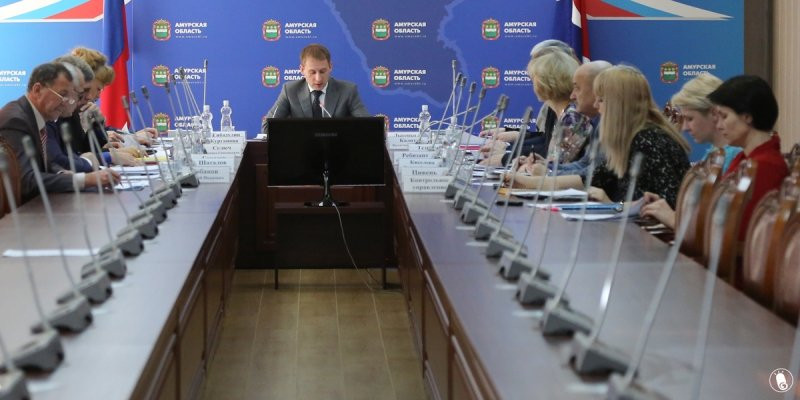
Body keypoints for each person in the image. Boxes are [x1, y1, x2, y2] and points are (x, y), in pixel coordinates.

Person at [643, 75, 788, 237]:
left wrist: (673, 219)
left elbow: (730, 234)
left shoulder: (764, 166)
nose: (719, 124)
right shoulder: (746, 159)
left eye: (724, 116)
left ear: (747, 117)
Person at [0, 62, 119, 203]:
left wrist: (62, 173)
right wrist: (85, 179)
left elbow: (46, 163)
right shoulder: (16, 120)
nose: (68, 103)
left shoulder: (37, 116)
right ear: (37, 90)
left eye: (72, 96)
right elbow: (27, 180)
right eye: (63, 95)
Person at [639, 73, 740, 229]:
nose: (685, 127)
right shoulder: (713, 154)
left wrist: (672, 218)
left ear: (714, 114)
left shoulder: (733, 159)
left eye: (690, 119)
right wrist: (662, 208)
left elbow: (713, 228)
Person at [481, 50, 588, 166]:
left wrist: (507, 157)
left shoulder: (573, 117)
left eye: (534, 79)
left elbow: (555, 165)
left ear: (544, 84)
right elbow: (546, 155)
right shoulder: (563, 112)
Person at [262, 43, 369, 132]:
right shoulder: (290, 90)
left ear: (330, 67)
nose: (318, 79)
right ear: (302, 70)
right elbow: (267, 127)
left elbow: (367, 126)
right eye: (312, 72)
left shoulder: (348, 91)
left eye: (322, 71)